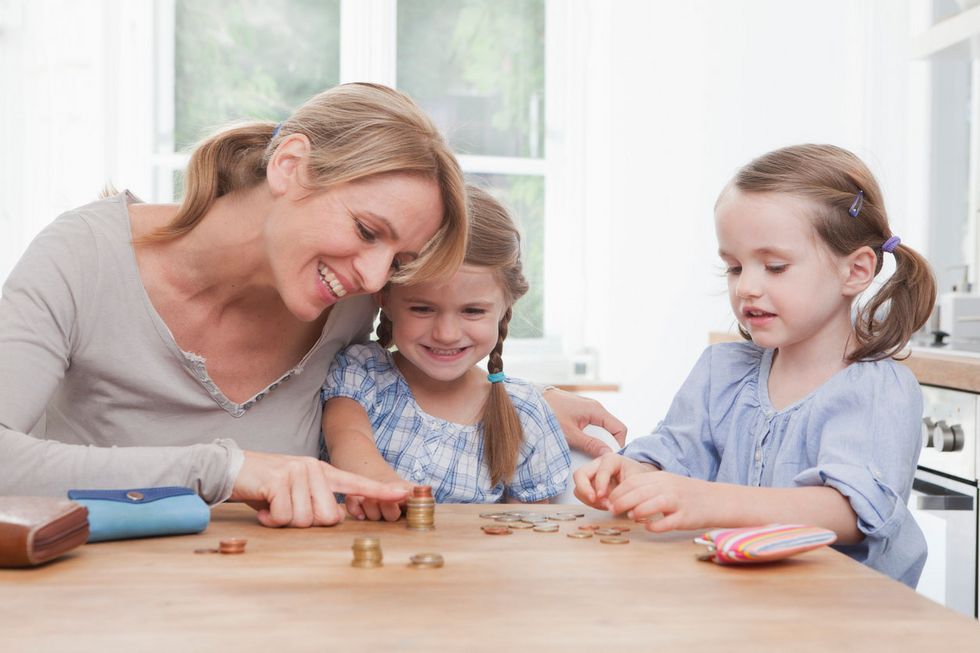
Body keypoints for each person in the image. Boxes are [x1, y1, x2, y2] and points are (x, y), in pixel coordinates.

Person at [0, 83, 623, 528]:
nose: (375, 277)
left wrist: (527, 397)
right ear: (291, 166)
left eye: (397, 260)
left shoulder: (345, 302)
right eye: (367, 230)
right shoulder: (82, 256)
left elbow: (422, 351)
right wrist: (228, 470)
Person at [574, 144, 936, 587]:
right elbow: (675, 456)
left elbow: (850, 512)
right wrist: (634, 474)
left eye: (775, 266)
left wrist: (708, 501)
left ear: (856, 271)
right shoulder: (721, 371)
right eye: (733, 267)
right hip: (741, 606)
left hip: (845, 623)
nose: (746, 287)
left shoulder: (878, 388)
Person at [322, 186, 572, 520]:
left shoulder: (525, 414)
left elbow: (530, 536)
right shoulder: (362, 373)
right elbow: (348, 439)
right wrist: (378, 482)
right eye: (423, 308)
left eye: (472, 311)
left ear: (506, 305)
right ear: (385, 298)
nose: (446, 334)